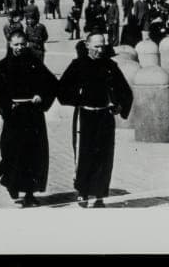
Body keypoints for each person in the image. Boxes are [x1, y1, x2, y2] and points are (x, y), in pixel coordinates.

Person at [57, 32, 133, 208]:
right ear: (87, 45)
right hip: (85, 116)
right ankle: (82, 193)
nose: (100, 50)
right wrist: (78, 100)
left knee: (104, 156)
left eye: (102, 46)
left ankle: (99, 195)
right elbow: (62, 90)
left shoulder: (110, 66)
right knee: (84, 154)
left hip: (105, 117)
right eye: (96, 46)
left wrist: (120, 106)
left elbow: (124, 90)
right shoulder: (78, 65)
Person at [0, 31, 59, 205]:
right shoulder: (3, 65)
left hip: (33, 117)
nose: (19, 47)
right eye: (16, 44)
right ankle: (13, 185)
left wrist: (41, 96)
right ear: (10, 45)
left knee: (34, 155)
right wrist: (6, 105)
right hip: (14, 117)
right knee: (13, 153)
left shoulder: (35, 63)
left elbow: (52, 84)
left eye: (22, 44)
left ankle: (29, 193)